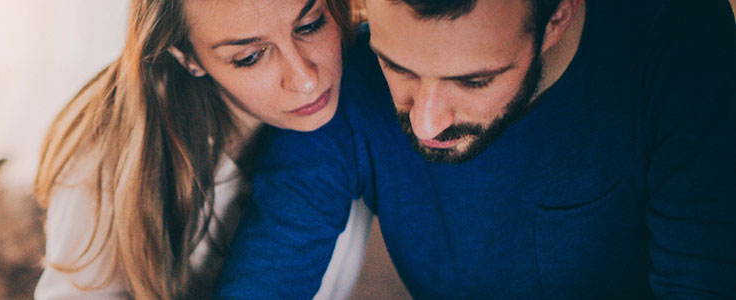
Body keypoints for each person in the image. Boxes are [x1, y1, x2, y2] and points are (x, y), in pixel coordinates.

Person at [217, 0, 736, 298]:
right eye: (396, 66)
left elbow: (704, 281)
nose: (424, 123)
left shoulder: (674, 40)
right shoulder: (348, 82)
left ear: (557, 16)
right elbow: (267, 275)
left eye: (474, 81)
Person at [32, 0, 372, 299]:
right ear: (187, 57)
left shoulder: (377, 83)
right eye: (249, 57)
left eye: (311, 24)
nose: (306, 79)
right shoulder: (110, 148)